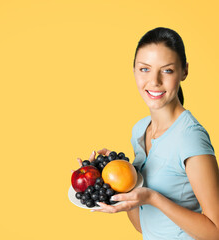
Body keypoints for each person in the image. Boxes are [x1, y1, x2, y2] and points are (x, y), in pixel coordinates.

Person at [75, 27, 219, 239]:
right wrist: (116, 179)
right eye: (145, 69)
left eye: (167, 70)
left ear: (184, 71)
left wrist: (154, 198)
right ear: (133, 70)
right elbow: (144, 227)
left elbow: (215, 231)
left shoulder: (190, 138)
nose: (154, 81)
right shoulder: (139, 130)